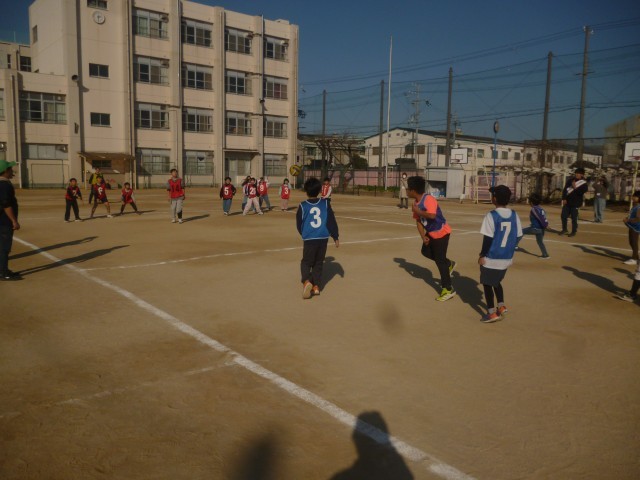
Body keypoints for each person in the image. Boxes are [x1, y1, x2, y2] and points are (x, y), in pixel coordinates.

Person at [407, 175, 456, 302]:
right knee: (425, 251)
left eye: (408, 188)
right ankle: (448, 264)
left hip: (441, 232)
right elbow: (418, 221)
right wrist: (423, 236)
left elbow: (432, 215)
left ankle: (448, 289)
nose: (406, 191)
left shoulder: (428, 199)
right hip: (431, 233)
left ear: (413, 190)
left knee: (440, 261)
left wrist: (418, 211)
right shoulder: (415, 203)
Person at [478, 185, 523, 323]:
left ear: (495, 199)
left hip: (492, 257)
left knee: (487, 284)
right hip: (506, 258)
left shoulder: (491, 215)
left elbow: (488, 238)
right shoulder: (514, 215)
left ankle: (492, 313)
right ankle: (501, 306)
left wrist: (482, 255)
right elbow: (519, 235)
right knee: (496, 281)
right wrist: (510, 247)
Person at [297, 177, 339, 299]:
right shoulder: (325, 203)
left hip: (309, 238)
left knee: (306, 262)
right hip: (323, 237)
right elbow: (331, 220)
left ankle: (306, 281)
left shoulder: (303, 205)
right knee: (318, 263)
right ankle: (316, 287)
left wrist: (304, 233)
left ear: (306, 191)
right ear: (320, 190)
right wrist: (335, 236)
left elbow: (299, 223)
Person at [0, 160, 21, 281]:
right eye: (10, 169)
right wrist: (14, 220)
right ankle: (3, 272)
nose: (11, 170)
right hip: (4, 221)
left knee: (2, 246)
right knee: (4, 247)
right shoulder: (4, 185)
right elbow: (6, 204)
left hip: (2, 220)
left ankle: (3, 269)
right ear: (5, 171)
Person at [517, 192, 549, 258]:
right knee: (540, 242)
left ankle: (514, 246)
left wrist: (545, 225)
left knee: (521, 231)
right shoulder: (541, 209)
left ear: (531, 202)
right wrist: (545, 225)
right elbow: (543, 218)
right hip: (541, 230)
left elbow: (540, 218)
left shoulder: (534, 209)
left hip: (535, 229)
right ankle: (545, 254)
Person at [560, 167, 588, 237]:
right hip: (567, 202)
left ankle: (573, 231)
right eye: (576, 173)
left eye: (578, 173)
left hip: (576, 203)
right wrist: (564, 198)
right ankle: (564, 229)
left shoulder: (584, 183)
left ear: (582, 175)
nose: (577, 174)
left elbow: (581, 192)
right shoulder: (570, 180)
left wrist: (575, 187)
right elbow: (565, 190)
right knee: (563, 216)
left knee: (574, 218)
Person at [622, 190, 640, 265]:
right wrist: (627, 219)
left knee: (633, 242)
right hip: (633, 226)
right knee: (632, 242)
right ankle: (636, 256)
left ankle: (634, 259)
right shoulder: (635, 206)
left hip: (636, 227)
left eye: (635, 196)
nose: (633, 197)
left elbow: (638, 218)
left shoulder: (638, 207)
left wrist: (628, 220)